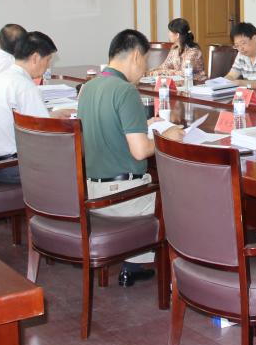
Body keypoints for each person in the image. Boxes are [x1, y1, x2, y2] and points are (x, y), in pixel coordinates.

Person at [78, 29, 183, 286]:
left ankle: (134, 263)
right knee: (185, 197)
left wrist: (143, 125)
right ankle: (181, 278)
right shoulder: (126, 91)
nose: (145, 69)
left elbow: (108, 129)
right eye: (145, 60)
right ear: (136, 55)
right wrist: (166, 135)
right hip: (125, 198)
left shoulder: (87, 88)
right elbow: (140, 151)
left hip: (93, 193)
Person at [0, 31, 66, 184]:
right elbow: (44, 134)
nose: (48, 65)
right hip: (11, 166)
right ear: (35, 57)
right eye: (48, 60)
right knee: (74, 159)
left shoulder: (1, 78)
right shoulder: (24, 86)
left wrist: (52, 115)